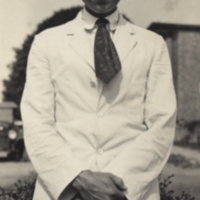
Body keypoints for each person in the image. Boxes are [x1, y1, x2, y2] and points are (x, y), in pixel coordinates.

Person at [21, 0, 177, 200]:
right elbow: (36, 122)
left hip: (129, 191)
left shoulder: (153, 44)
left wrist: (116, 185)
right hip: (65, 191)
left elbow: (162, 124)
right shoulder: (46, 42)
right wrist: (77, 178)